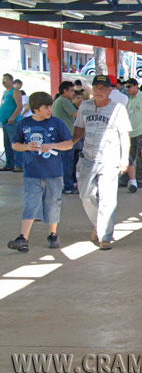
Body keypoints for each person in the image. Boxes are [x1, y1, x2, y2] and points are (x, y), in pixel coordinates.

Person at [7, 92, 73, 253]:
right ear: (36, 109)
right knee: (31, 203)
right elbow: (15, 144)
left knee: (52, 203)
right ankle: (23, 238)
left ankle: (53, 234)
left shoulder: (56, 123)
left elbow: (69, 144)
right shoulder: (24, 124)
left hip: (53, 172)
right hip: (32, 171)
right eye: (46, 107)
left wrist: (52, 146)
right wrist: (26, 147)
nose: (50, 110)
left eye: (50, 106)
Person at [72, 75, 131, 250]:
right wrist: (70, 143)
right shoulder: (85, 107)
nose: (99, 90)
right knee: (85, 195)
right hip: (88, 158)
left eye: (103, 88)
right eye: (96, 87)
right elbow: (79, 128)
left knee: (107, 198)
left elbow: (124, 135)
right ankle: (99, 224)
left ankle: (105, 235)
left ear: (110, 91)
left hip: (109, 159)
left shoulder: (118, 109)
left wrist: (124, 158)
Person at [121, 78, 142, 192]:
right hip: (130, 133)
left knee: (141, 158)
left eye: (130, 86)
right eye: (126, 87)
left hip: (141, 132)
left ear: (136, 86)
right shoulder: (129, 99)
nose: (128, 89)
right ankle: (125, 178)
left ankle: (139, 180)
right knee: (128, 156)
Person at [52, 81, 79, 194]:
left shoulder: (59, 101)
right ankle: (68, 185)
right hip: (66, 136)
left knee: (66, 161)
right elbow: (76, 114)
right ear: (64, 91)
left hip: (62, 134)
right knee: (68, 162)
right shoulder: (64, 100)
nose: (73, 93)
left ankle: (68, 183)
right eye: (71, 90)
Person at [1, 73, 23, 172]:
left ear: (11, 81)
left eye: (6, 79)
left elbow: (19, 106)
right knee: (7, 144)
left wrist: (12, 117)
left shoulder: (15, 91)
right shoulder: (5, 92)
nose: (4, 81)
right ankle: (9, 164)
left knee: (15, 143)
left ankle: (19, 165)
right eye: (3, 79)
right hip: (5, 122)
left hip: (12, 122)